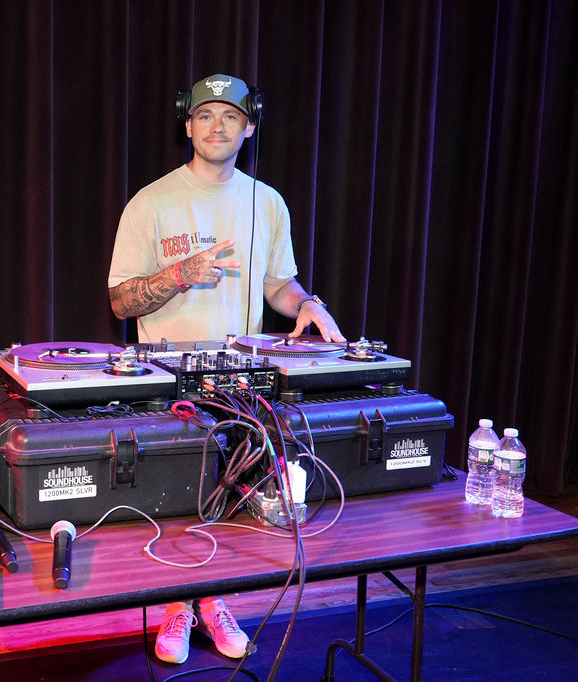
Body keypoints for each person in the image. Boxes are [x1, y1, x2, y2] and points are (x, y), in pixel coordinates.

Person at [107, 73, 345, 665]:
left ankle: (212, 602)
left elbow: (279, 286)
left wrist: (308, 303)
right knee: (180, 502)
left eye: (231, 117)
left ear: (249, 127)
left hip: (242, 380)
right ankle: (177, 604)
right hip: (166, 380)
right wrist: (181, 273)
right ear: (187, 124)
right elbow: (121, 302)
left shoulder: (269, 203)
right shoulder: (151, 202)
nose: (218, 126)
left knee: (230, 502)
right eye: (206, 115)